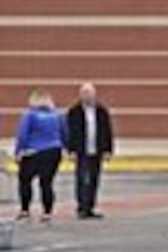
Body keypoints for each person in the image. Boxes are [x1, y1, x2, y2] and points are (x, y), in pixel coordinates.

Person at [13, 88, 66, 223]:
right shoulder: (57, 115)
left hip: (33, 151)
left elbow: (22, 135)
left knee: (25, 180)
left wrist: (18, 151)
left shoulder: (29, 115)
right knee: (47, 182)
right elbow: (64, 133)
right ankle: (47, 212)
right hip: (54, 151)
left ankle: (25, 210)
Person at [65, 82, 115, 219]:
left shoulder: (101, 111)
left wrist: (108, 150)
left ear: (94, 94)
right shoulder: (74, 111)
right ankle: (82, 207)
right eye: (84, 93)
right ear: (80, 95)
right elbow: (70, 132)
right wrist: (71, 150)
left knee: (94, 178)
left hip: (97, 149)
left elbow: (107, 131)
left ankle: (90, 207)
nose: (87, 96)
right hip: (81, 150)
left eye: (90, 93)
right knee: (81, 178)